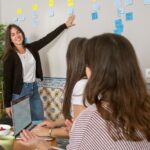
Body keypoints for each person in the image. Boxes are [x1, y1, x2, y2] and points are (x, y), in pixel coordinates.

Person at [21, 33, 150, 150]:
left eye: (87, 64)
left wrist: (41, 144)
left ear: (95, 70)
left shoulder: (90, 118)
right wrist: (78, 131)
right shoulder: (145, 107)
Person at [3, 15, 75, 121]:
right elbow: (7, 81)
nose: (17, 36)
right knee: (22, 124)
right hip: (19, 92)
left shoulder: (31, 48)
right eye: (13, 35)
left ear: (22, 33)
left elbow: (47, 38)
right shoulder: (10, 56)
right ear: (10, 39)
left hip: (33, 88)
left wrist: (65, 26)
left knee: (39, 120)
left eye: (18, 32)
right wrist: (7, 104)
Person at [31, 37, 88, 139]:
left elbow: (79, 130)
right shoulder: (81, 83)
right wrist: (55, 123)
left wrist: (48, 132)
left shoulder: (81, 85)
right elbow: (77, 119)